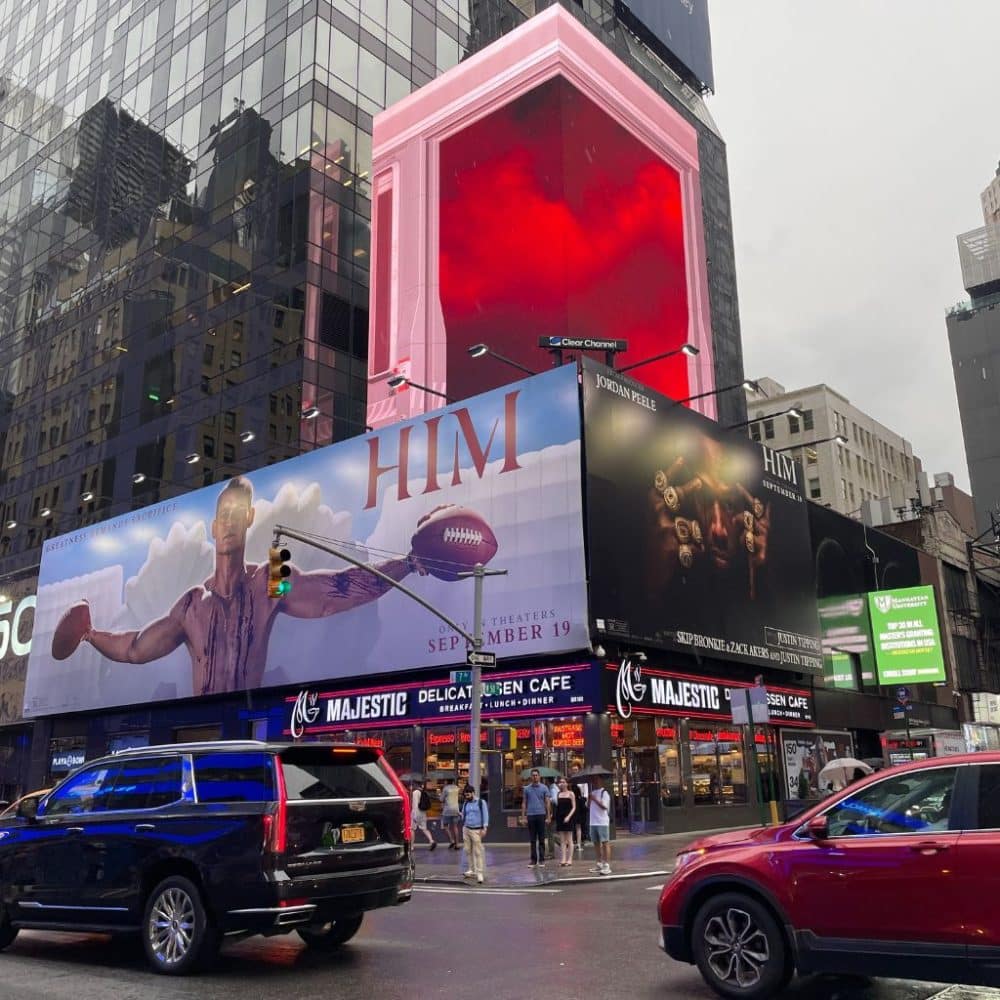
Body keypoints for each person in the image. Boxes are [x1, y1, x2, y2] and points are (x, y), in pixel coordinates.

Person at [49, 477, 434, 695]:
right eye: (223, 516)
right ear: (215, 526)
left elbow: (335, 593)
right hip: (200, 723)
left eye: (237, 514)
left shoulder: (271, 575)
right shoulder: (191, 604)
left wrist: (408, 564)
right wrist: (89, 634)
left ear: (249, 518)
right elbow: (134, 649)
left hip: (249, 717)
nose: (230, 523)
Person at [521, 768, 550, 867]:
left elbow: (547, 802)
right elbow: (524, 803)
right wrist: (523, 817)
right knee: (532, 839)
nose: (535, 777)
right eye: (533, 775)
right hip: (531, 815)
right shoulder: (527, 789)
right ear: (531, 777)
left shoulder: (544, 788)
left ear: (539, 776)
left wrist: (548, 815)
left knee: (541, 839)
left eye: (536, 775)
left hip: (541, 814)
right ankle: (533, 860)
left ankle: (542, 860)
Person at [461, 785, 489, 884]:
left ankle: (479, 872)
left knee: (478, 852)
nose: (467, 797)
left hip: (477, 830)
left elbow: (485, 815)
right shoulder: (465, 803)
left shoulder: (481, 802)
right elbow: (464, 814)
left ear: (473, 793)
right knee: (467, 850)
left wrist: (484, 828)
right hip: (466, 829)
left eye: (468, 795)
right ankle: (471, 870)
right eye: (465, 795)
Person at [587, 773, 612, 875]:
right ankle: (599, 863)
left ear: (601, 780)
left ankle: (606, 865)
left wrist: (594, 799)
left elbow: (604, 806)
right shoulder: (592, 792)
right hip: (593, 821)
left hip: (602, 822)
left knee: (605, 843)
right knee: (596, 843)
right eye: (593, 779)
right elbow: (588, 806)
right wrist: (589, 799)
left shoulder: (604, 793)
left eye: (597, 779)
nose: (595, 781)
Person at [553, 777, 577, 867]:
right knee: (562, 840)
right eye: (560, 782)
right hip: (560, 818)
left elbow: (574, 807)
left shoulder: (571, 793)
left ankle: (569, 859)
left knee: (569, 839)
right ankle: (563, 858)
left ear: (567, 783)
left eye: (563, 782)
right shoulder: (559, 794)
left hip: (568, 818)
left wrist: (569, 816)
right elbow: (558, 807)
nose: (562, 784)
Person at [411, 780, 437, 851]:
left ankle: (411, 846)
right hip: (423, 813)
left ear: (416, 785)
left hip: (416, 813)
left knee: (412, 829)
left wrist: (414, 816)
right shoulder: (424, 792)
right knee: (424, 829)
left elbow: (415, 805)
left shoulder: (415, 793)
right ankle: (432, 841)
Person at [440, 777, 462, 849]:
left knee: (445, 826)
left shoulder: (445, 788)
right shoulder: (457, 788)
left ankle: (452, 840)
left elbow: (441, 799)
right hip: (456, 809)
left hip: (447, 810)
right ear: (453, 781)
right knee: (455, 827)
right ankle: (457, 844)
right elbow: (459, 797)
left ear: (446, 781)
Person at [570, 764, 588, 852]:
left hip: (580, 804)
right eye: (573, 769)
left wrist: (585, 802)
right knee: (573, 825)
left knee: (579, 825)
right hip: (572, 804)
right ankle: (572, 842)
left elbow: (585, 794)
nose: (575, 771)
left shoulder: (583, 781)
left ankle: (579, 843)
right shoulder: (571, 782)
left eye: (576, 769)